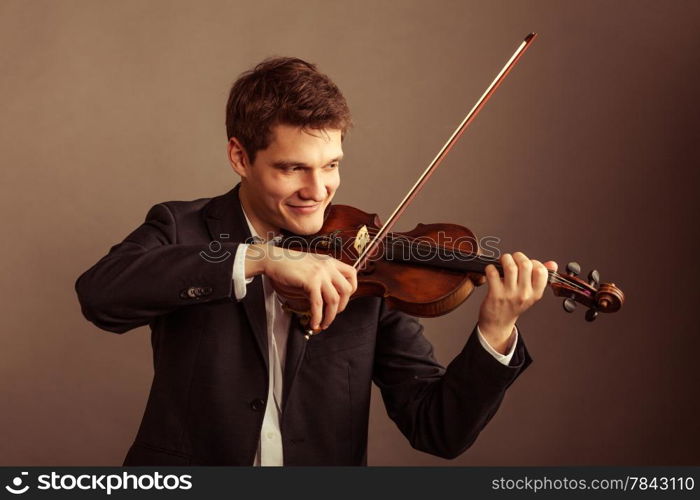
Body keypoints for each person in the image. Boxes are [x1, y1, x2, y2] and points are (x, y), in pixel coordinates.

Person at [75, 56, 557, 466]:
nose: (318, 190)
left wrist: (495, 332)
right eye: (292, 168)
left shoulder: (366, 263)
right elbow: (101, 294)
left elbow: (438, 429)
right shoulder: (183, 228)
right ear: (240, 157)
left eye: (331, 165)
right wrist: (257, 257)